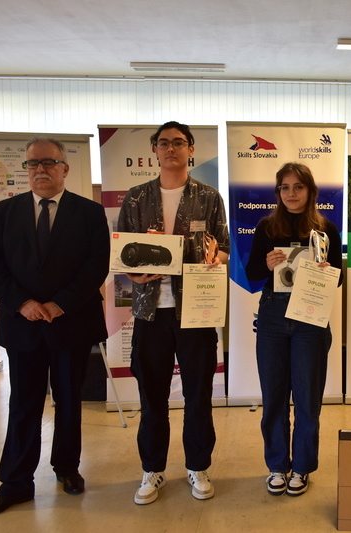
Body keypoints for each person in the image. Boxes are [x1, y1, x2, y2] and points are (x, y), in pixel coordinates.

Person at [0, 137, 110, 516]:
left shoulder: (89, 212)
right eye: (32, 164)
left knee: (68, 401)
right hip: (23, 325)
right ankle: (15, 482)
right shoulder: (5, 212)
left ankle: (67, 468)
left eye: (48, 162)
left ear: (65, 168)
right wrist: (24, 303)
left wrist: (59, 303)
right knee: (23, 404)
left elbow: (96, 265)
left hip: (71, 322)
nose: (40, 170)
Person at [117, 121, 230, 505]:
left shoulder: (209, 197)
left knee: (198, 395)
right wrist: (134, 273)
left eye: (179, 143)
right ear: (154, 150)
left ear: (190, 149)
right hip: (151, 313)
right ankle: (153, 469)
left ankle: (198, 466)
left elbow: (225, 249)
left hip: (195, 311)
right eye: (163, 143)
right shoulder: (136, 198)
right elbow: (122, 254)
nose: (171, 149)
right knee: (152, 397)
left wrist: (216, 259)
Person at [245, 162, 342, 497]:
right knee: (274, 397)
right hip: (273, 315)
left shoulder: (326, 229)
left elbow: (339, 278)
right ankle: (277, 466)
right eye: (284, 187)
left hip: (310, 318)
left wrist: (326, 272)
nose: (291, 193)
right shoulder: (266, 227)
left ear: (310, 191)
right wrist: (267, 264)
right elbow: (252, 273)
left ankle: (301, 467)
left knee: (307, 399)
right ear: (278, 192)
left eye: (298, 187)